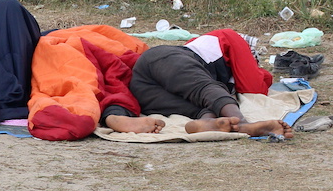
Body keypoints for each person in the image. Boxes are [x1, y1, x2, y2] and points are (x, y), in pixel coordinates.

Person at [101, 30, 293, 138]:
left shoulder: (220, 76)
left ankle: (207, 123)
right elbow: (254, 87)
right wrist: (262, 74)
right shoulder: (228, 38)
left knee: (200, 106)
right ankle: (242, 124)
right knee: (206, 90)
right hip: (162, 60)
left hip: (146, 93)